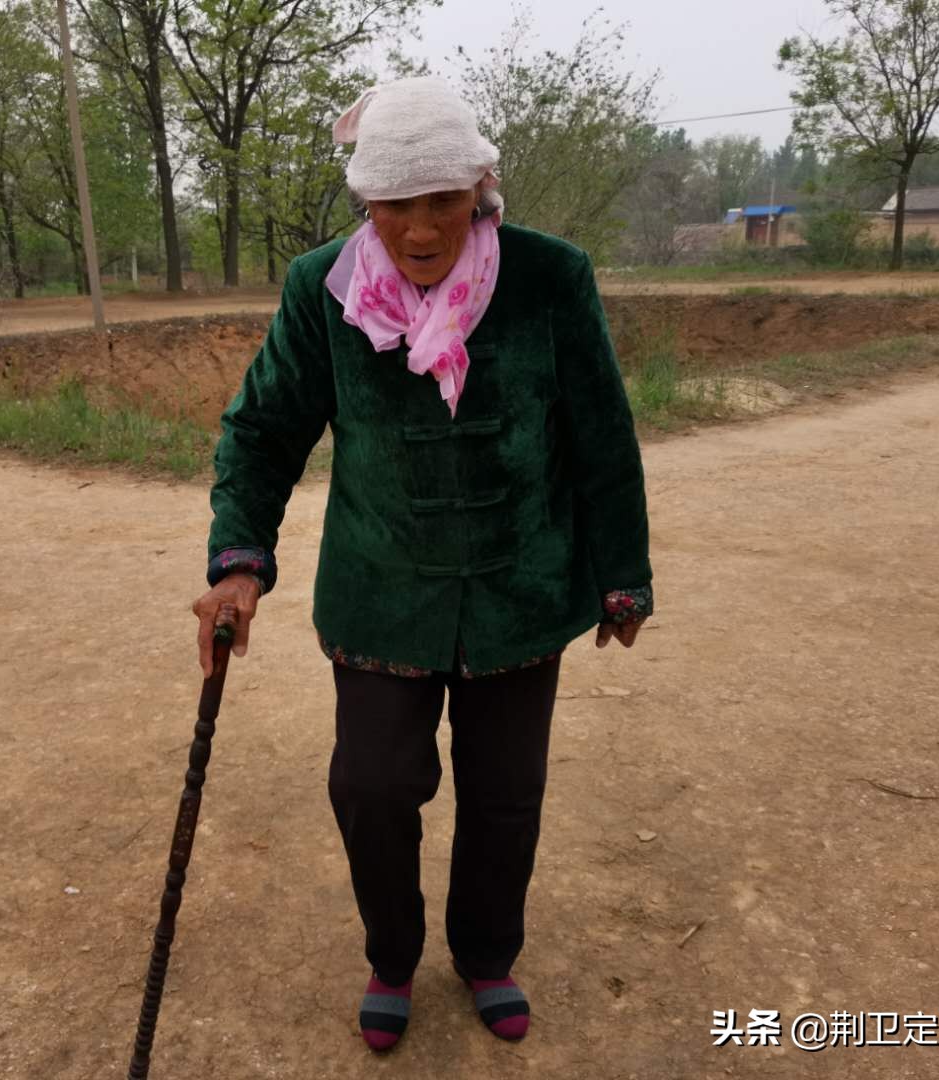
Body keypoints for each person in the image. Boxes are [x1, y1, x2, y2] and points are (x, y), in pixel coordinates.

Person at [190, 75, 652, 1051]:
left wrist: (623, 572)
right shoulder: (325, 290)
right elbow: (267, 428)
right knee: (372, 783)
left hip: (519, 590)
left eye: (441, 200)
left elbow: (601, 434)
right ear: (368, 203)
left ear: (478, 191)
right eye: (395, 204)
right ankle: (391, 954)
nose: (421, 227)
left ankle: (488, 953)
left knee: (503, 792)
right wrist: (240, 560)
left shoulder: (548, 278)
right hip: (381, 594)